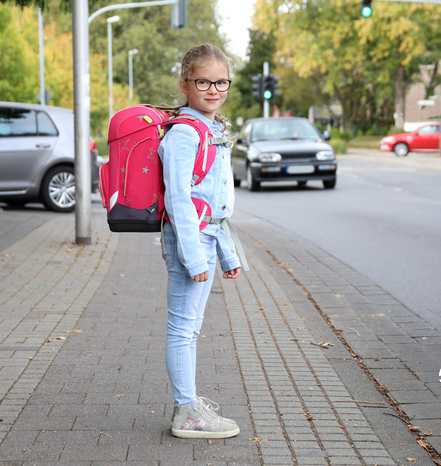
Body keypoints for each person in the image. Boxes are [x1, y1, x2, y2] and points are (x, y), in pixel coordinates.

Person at [157, 43, 245, 439]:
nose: (214, 89)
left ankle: (189, 406)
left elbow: (215, 205)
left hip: (207, 239)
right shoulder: (183, 134)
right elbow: (179, 200)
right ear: (184, 84)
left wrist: (227, 254)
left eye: (221, 81)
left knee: (190, 329)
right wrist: (195, 260)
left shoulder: (211, 129)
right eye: (203, 81)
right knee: (182, 329)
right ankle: (187, 413)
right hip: (190, 243)